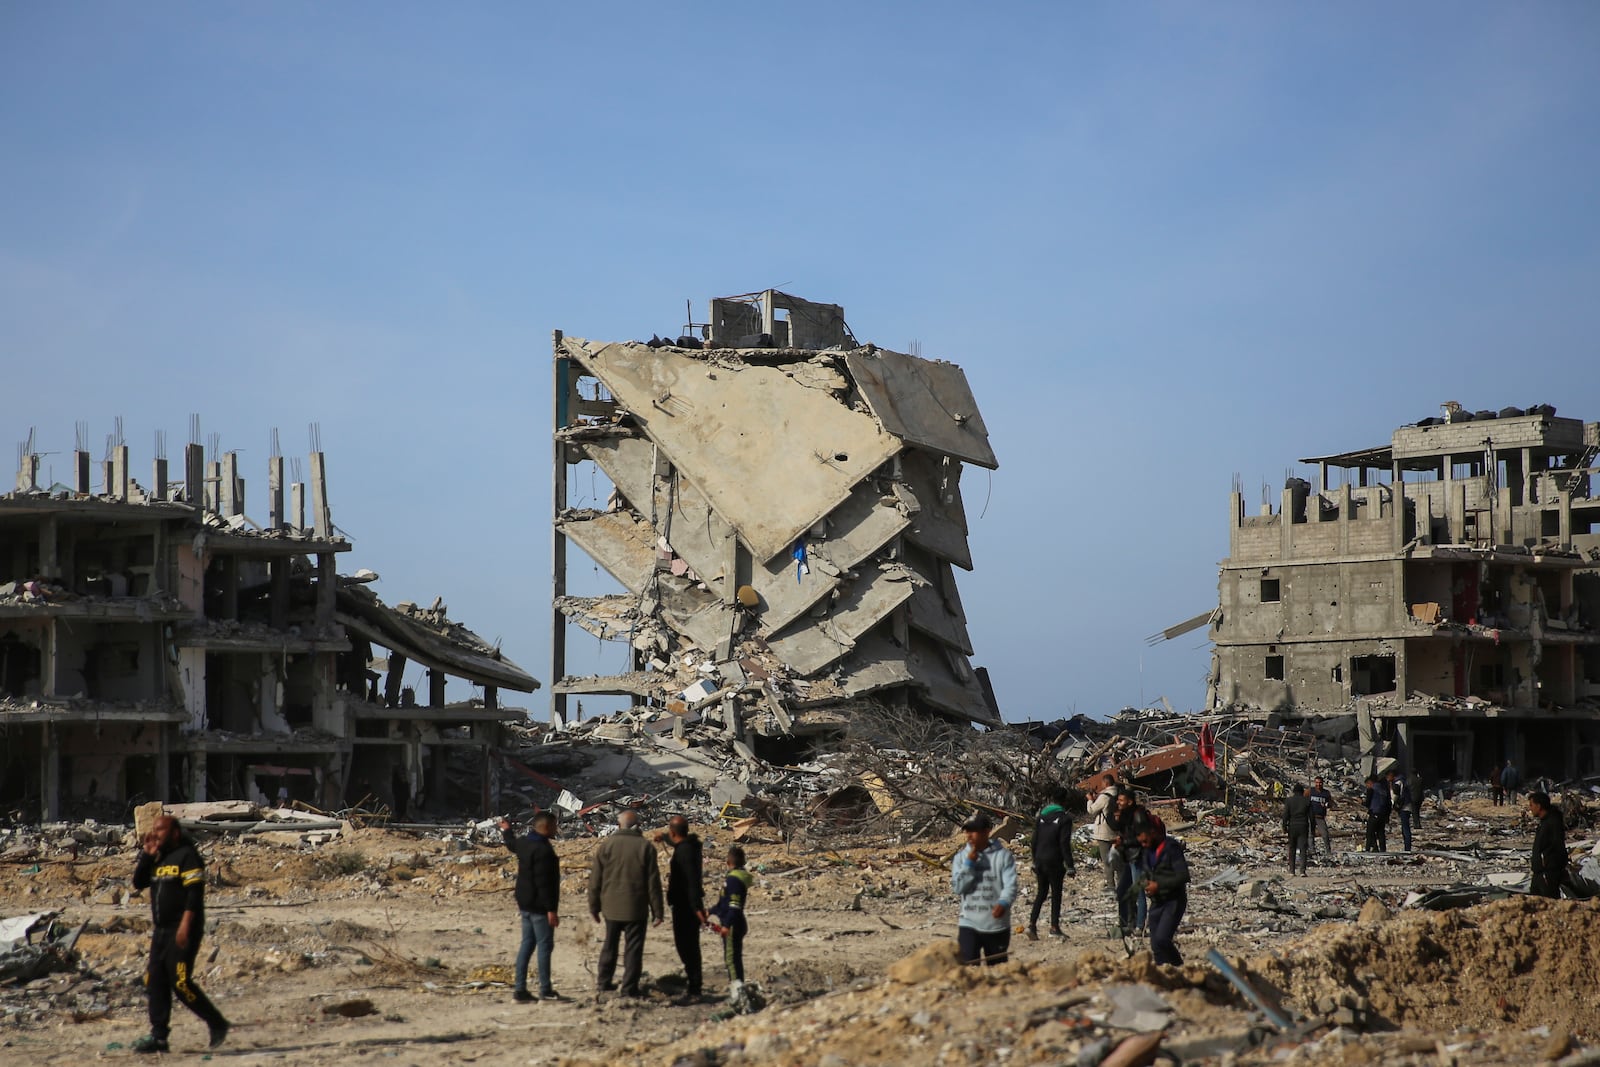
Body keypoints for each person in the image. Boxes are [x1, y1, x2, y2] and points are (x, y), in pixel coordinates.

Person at [130, 815, 229, 1053]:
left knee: (181, 983)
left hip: (183, 928)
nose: (156, 833)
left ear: (174, 832)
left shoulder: (187, 856)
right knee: (155, 981)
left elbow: (194, 895)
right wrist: (147, 854)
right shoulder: (158, 857)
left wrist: (185, 926)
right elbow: (138, 882)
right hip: (161, 931)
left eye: (161, 830)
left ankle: (217, 1023)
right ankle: (159, 1037)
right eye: (154, 829)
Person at [588, 810, 664, 998]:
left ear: (618, 825)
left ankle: (603, 983)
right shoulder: (645, 847)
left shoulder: (607, 846)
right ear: (637, 825)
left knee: (609, 945)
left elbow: (595, 880)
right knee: (633, 949)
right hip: (636, 908)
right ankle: (630, 988)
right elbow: (653, 883)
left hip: (611, 907)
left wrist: (594, 907)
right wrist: (658, 911)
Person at [499, 811, 563, 1002]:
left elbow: (511, 844)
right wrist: (551, 909)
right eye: (554, 825)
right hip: (539, 906)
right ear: (546, 827)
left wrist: (507, 830)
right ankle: (545, 989)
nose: (556, 829)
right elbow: (545, 883)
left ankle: (520, 990)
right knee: (544, 946)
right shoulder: (543, 851)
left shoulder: (525, 843)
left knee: (526, 945)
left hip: (525, 902)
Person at [950, 812, 1017, 966]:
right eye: (967, 831)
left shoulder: (1003, 856)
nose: (969, 835)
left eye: (974, 831)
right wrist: (969, 865)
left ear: (987, 831)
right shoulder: (961, 858)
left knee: (997, 970)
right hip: (969, 923)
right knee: (969, 969)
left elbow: (1010, 884)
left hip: (996, 925)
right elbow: (958, 888)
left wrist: (1004, 902)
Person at [661, 815, 707, 1003]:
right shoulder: (690, 846)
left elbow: (692, 882)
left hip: (686, 907)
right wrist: (664, 838)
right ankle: (694, 984)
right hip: (686, 905)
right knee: (689, 947)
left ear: (673, 832)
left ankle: (694, 989)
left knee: (687, 947)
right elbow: (679, 845)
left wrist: (697, 907)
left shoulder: (685, 853)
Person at [1027, 787, 1077, 941]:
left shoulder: (1041, 816)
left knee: (1041, 893)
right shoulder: (1065, 818)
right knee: (1056, 894)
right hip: (1054, 860)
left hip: (1040, 859)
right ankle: (1054, 927)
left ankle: (1032, 925)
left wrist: (1035, 860)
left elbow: (1034, 840)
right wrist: (1070, 865)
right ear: (1065, 800)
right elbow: (1064, 842)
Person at [1139, 816, 1190, 967]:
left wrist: (1158, 885)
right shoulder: (1148, 850)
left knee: (1162, 939)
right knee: (1155, 945)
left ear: (1153, 832)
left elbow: (1183, 876)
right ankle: (1163, 974)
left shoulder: (1171, 848)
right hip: (1157, 902)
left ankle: (1179, 969)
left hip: (1173, 901)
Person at [708, 845, 754, 990]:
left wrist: (726, 926)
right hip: (733, 922)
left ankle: (738, 989)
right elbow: (724, 904)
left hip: (733, 925)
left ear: (728, 862)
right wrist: (709, 912)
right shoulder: (733, 878)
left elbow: (734, 907)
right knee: (732, 957)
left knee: (731, 959)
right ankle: (737, 985)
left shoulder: (734, 881)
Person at [1111, 790, 1150, 936]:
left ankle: (1140, 926)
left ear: (1130, 802)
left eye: (1121, 800)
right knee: (1122, 891)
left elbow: (1144, 839)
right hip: (1129, 858)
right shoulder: (1126, 816)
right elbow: (1115, 826)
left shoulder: (1138, 815)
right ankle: (1125, 923)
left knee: (1138, 892)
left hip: (1138, 857)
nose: (1118, 802)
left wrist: (1124, 842)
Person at [1528, 791, 1569, 899]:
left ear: (1539, 806)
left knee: (1549, 904)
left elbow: (1558, 846)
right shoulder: (1544, 822)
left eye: (1531, 805)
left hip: (1548, 873)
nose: (1530, 808)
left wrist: (1556, 868)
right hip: (1539, 873)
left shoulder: (1552, 822)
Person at [1086, 778, 1121, 892]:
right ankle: (1122, 883)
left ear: (1106, 783)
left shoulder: (1104, 796)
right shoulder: (1120, 793)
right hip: (1117, 829)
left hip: (1105, 830)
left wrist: (1090, 800)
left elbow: (1092, 810)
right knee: (1119, 858)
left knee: (1107, 860)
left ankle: (1111, 885)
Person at [1282, 784, 1312, 876]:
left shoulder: (1289, 801)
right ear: (1302, 791)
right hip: (1303, 825)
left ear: (1294, 791)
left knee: (1292, 848)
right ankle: (1302, 871)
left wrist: (1284, 826)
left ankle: (1292, 870)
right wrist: (1313, 829)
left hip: (1292, 826)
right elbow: (1311, 817)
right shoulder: (1307, 801)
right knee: (1303, 848)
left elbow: (1285, 815)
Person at [1388, 770, 1415, 851]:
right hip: (1407, 805)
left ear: (1392, 775)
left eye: (1388, 776)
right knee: (1405, 827)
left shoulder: (1398, 783)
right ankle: (1407, 847)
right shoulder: (1402, 780)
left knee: (1405, 827)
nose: (1387, 778)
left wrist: (1394, 805)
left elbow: (1396, 795)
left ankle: (1407, 848)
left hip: (1404, 806)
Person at [1363, 775, 1391, 852]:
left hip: (1374, 812)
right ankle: (1383, 849)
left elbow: (1367, 803)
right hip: (1382, 814)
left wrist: (1362, 802)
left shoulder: (1372, 790)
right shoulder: (1383, 789)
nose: (1367, 787)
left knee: (1370, 832)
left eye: (1367, 785)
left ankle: (1370, 848)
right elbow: (1388, 803)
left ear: (1370, 783)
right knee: (1380, 832)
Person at [1308, 776, 1334, 856]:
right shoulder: (1310, 791)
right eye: (1316, 782)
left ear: (1322, 783)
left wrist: (1326, 805)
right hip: (1310, 816)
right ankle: (1312, 851)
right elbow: (1302, 799)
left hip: (1320, 817)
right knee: (1310, 834)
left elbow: (1331, 804)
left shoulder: (1326, 793)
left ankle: (1328, 851)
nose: (1318, 784)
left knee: (1325, 834)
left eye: (1320, 783)